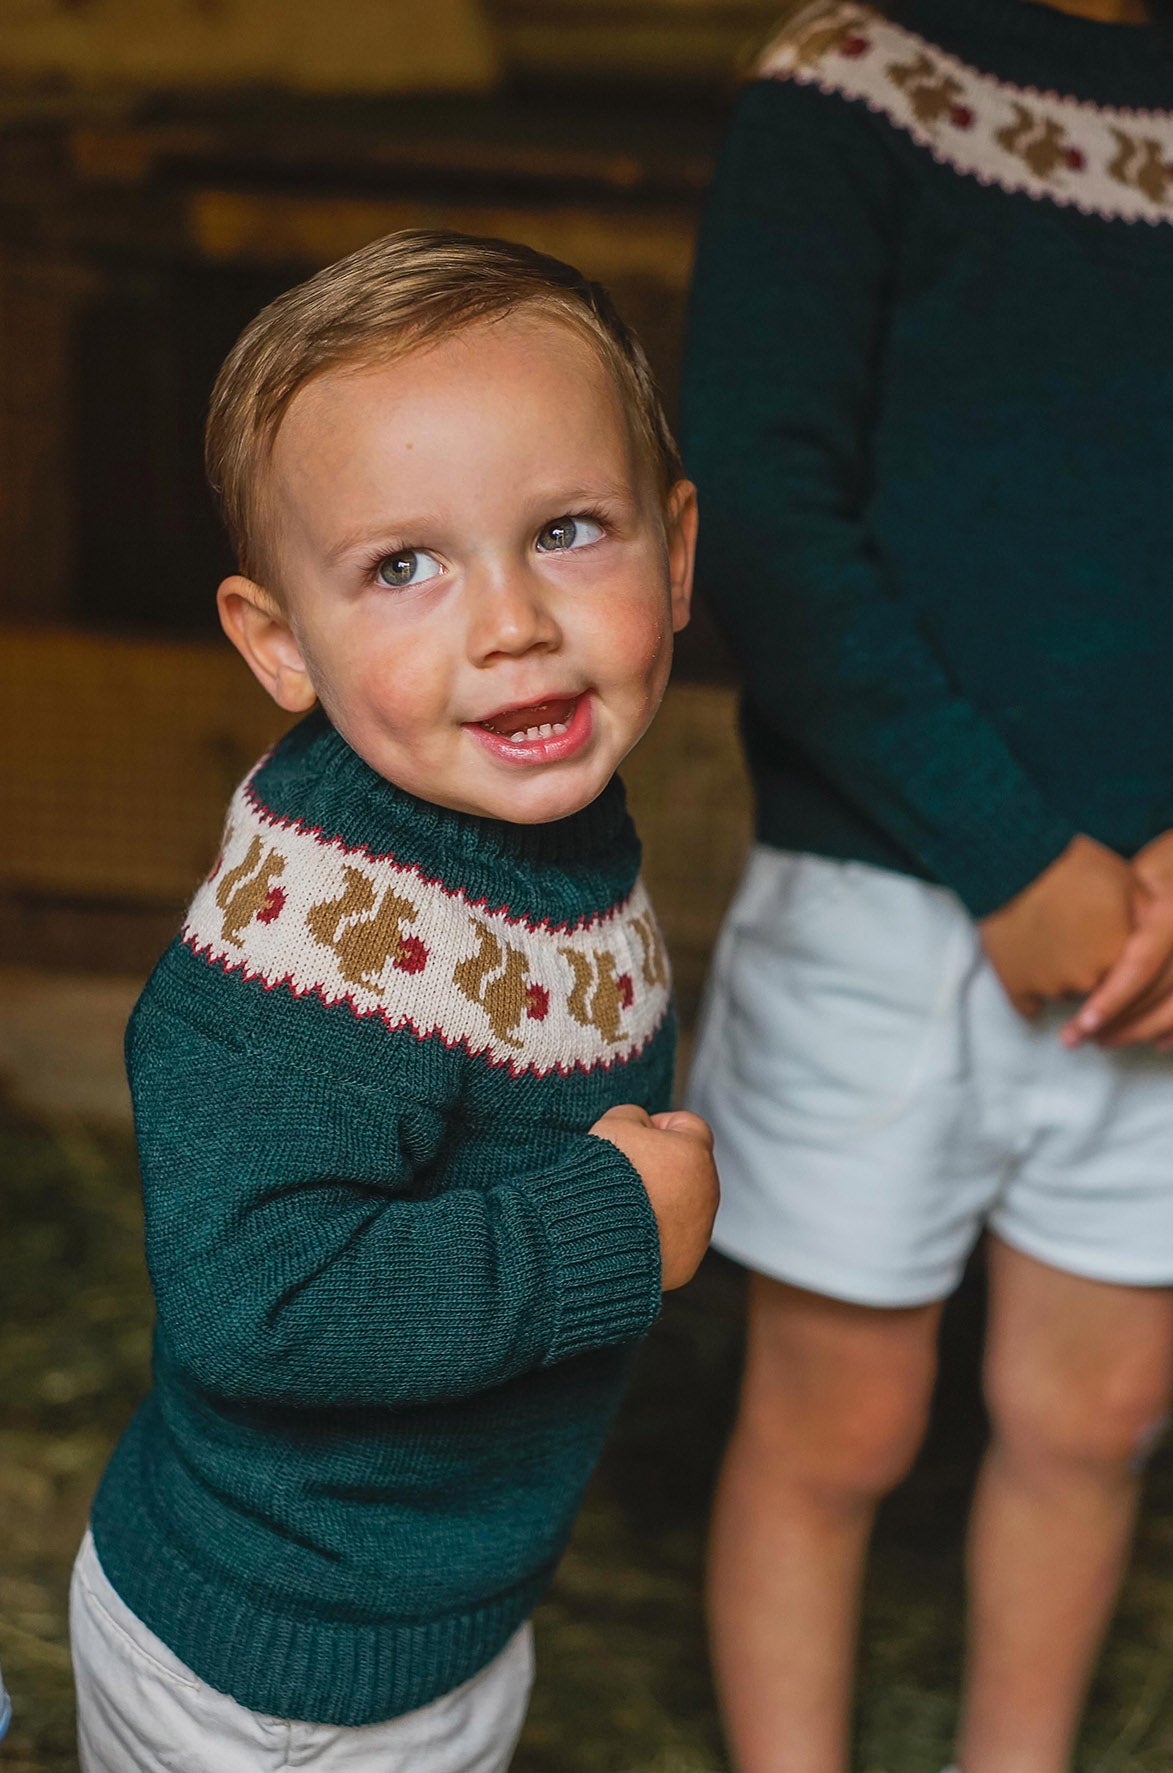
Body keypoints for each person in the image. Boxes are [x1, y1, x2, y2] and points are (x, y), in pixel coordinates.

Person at [682, 0, 1173, 1768]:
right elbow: (764, 513)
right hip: (884, 901)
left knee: (1098, 1415)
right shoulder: (849, 86)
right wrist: (1005, 855)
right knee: (837, 1421)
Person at [69, 229, 718, 1773]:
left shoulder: (539, 814)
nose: (508, 622)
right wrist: (609, 1228)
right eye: (402, 566)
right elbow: (258, 1299)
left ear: (677, 554)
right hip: (277, 1674)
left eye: (567, 529)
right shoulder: (317, 941)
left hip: (436, 1610)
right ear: (280, 643)